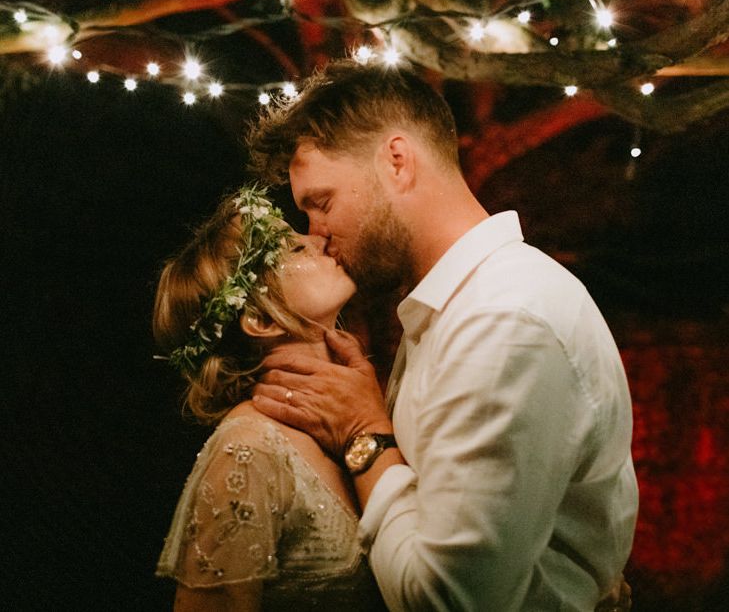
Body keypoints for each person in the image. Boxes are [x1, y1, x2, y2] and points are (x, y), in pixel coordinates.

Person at [247, 59, 639, 611]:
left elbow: (449, 600)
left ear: (398, 161)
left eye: (322, 202)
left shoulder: (503, 321)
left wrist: (365, 434)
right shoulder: (454, 310)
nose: (316, 235)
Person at [153, 184, 387, 611]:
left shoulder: (350, 416)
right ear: (259, 319)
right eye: (294, 250)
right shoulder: (248, 451)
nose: (319, 239)